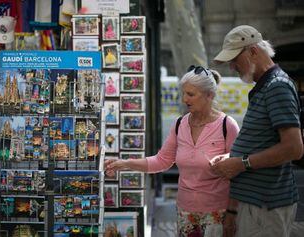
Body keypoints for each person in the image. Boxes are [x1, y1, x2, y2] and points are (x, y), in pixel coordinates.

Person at [105, 66, 240, 236]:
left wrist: (233, 212)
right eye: (183, 93)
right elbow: (161, 161)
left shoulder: (227, 126)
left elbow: (238, 172)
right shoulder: (179, 124)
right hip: (185, 213)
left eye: (190, 94)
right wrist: (124, 163)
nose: (184, 99)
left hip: (218, 213)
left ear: (209, 95)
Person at [211, 25, 303, 237]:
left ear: (253, 51)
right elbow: (259, 143)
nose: (232, 67)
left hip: (266, 206)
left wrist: (241, 163)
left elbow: (294, 148)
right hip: (256, 205)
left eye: (234, 59)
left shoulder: (277, 86)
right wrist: (232, 159)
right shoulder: (265, 86)